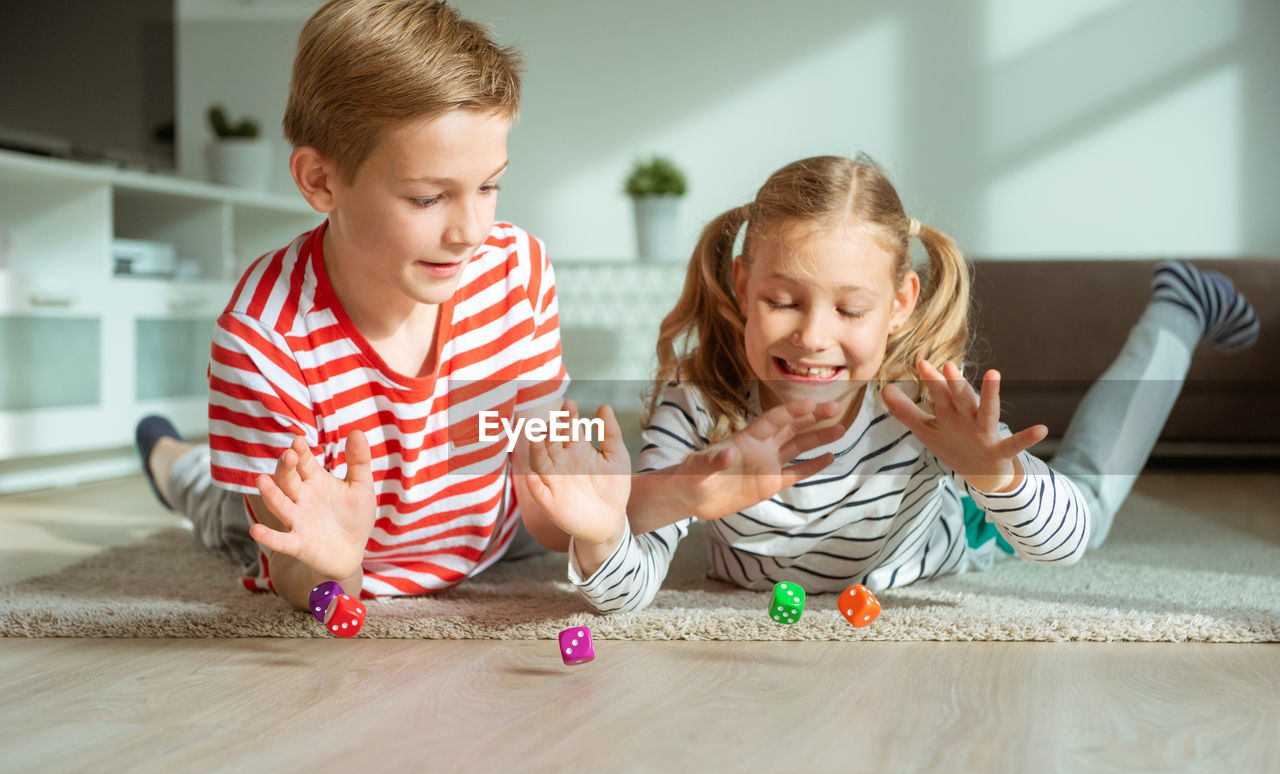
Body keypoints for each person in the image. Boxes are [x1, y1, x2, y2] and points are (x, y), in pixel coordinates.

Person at [523, 154, 1260, 613]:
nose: (813, 336)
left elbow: (1062, 543)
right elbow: (626, 587)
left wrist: (995, 477)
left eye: (850, 309)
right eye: (782, 301)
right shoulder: (700, 404)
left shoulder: (919, 400)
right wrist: (600, 533)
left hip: (963, 532)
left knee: (1087, 496)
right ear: (743, 285)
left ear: (900, 303)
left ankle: (1177, 310)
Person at [136, 0, 576, 612]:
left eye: (489, 185)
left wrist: (596, 509)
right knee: (218, 505)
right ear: (320, 180)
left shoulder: (518, 269)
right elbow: (302, 579)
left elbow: (547, 495)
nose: (471, 231)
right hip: (334, 541)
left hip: (487, 531)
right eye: (427, 199)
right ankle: (167, 455)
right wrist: (331, 570)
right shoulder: (263, 338)